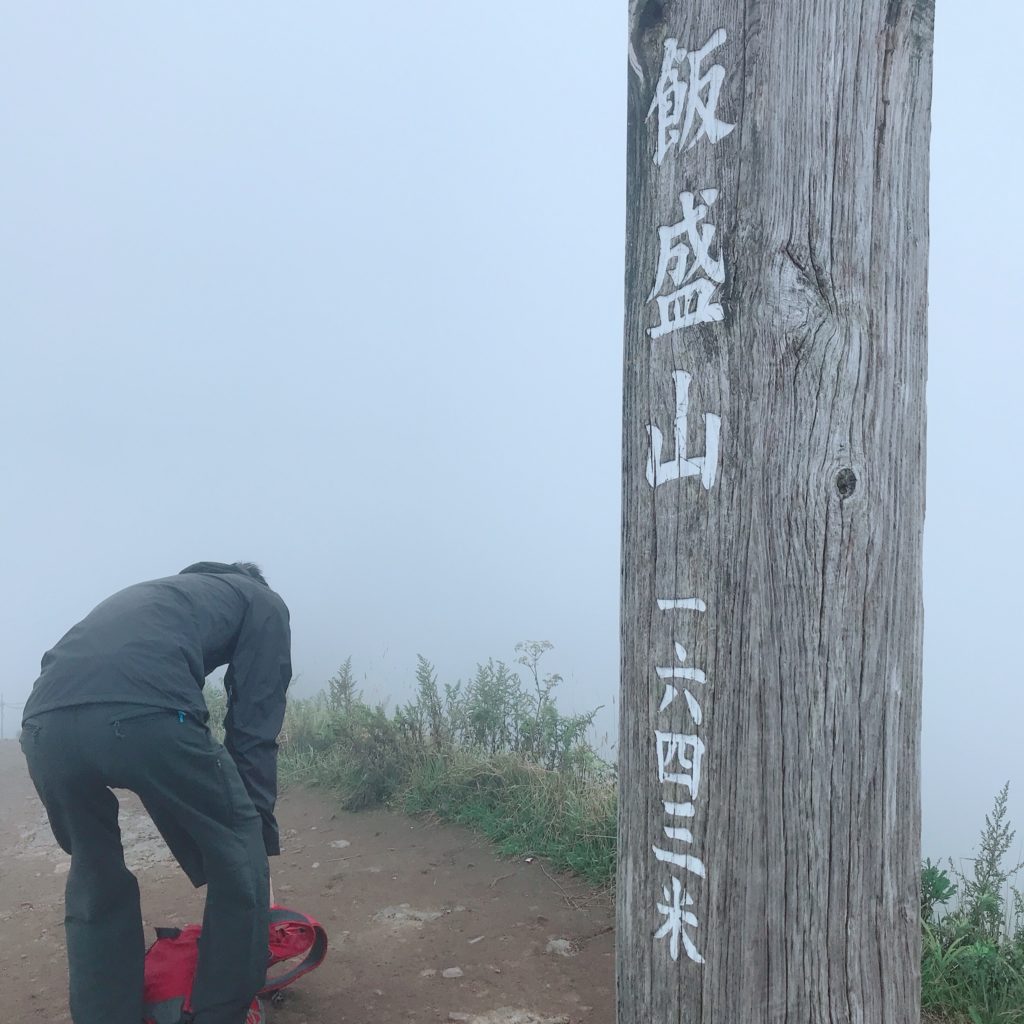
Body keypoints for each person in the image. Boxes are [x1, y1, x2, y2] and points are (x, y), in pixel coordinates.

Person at [19, 561, 293, 1024]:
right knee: (238, 849)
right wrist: (251, 833)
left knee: (94, 870)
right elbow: (253, 725)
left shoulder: (164, 594)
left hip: (45, 728)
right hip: (143, 714)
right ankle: (220, 1011)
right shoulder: (261, 601)